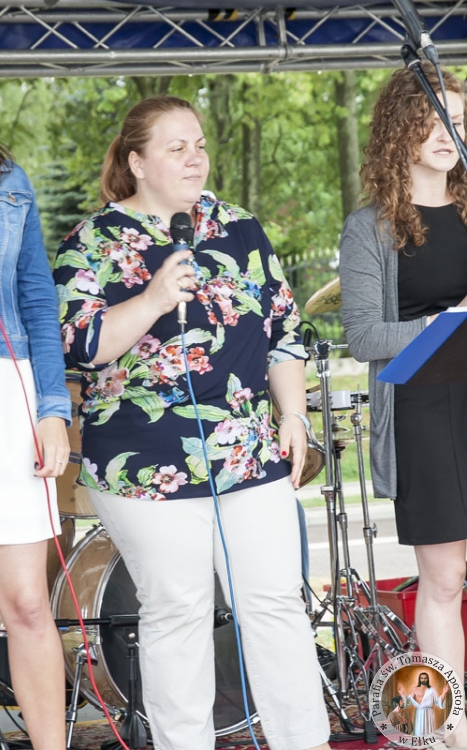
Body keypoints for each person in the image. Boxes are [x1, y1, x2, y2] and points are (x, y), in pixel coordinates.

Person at [53, 95, 330, 750]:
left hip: (245, 450)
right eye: (176, 147)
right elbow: (81, 345)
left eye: (199, 145)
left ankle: (305, 741)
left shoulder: (238, 227)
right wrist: (152, 298)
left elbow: (284, 332)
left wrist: (292, 413)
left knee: (274, 603)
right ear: (136, 162)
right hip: (144, 462)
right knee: (177, 610)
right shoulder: (90, 241)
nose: (194, 158)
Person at [339, 64, 467, 750]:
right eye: (433, 119)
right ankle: (444, 733)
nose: (450, 133)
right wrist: (449, 323)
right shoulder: (370, 227)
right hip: (423, 411)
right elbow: (363, 336)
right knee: (442, 581)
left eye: (459, 120)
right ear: (400, 131)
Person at [0, 88, 71, 750]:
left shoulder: (7, 183)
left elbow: (37, 299)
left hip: (5, 395)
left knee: (28, 602)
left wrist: (52, 409)